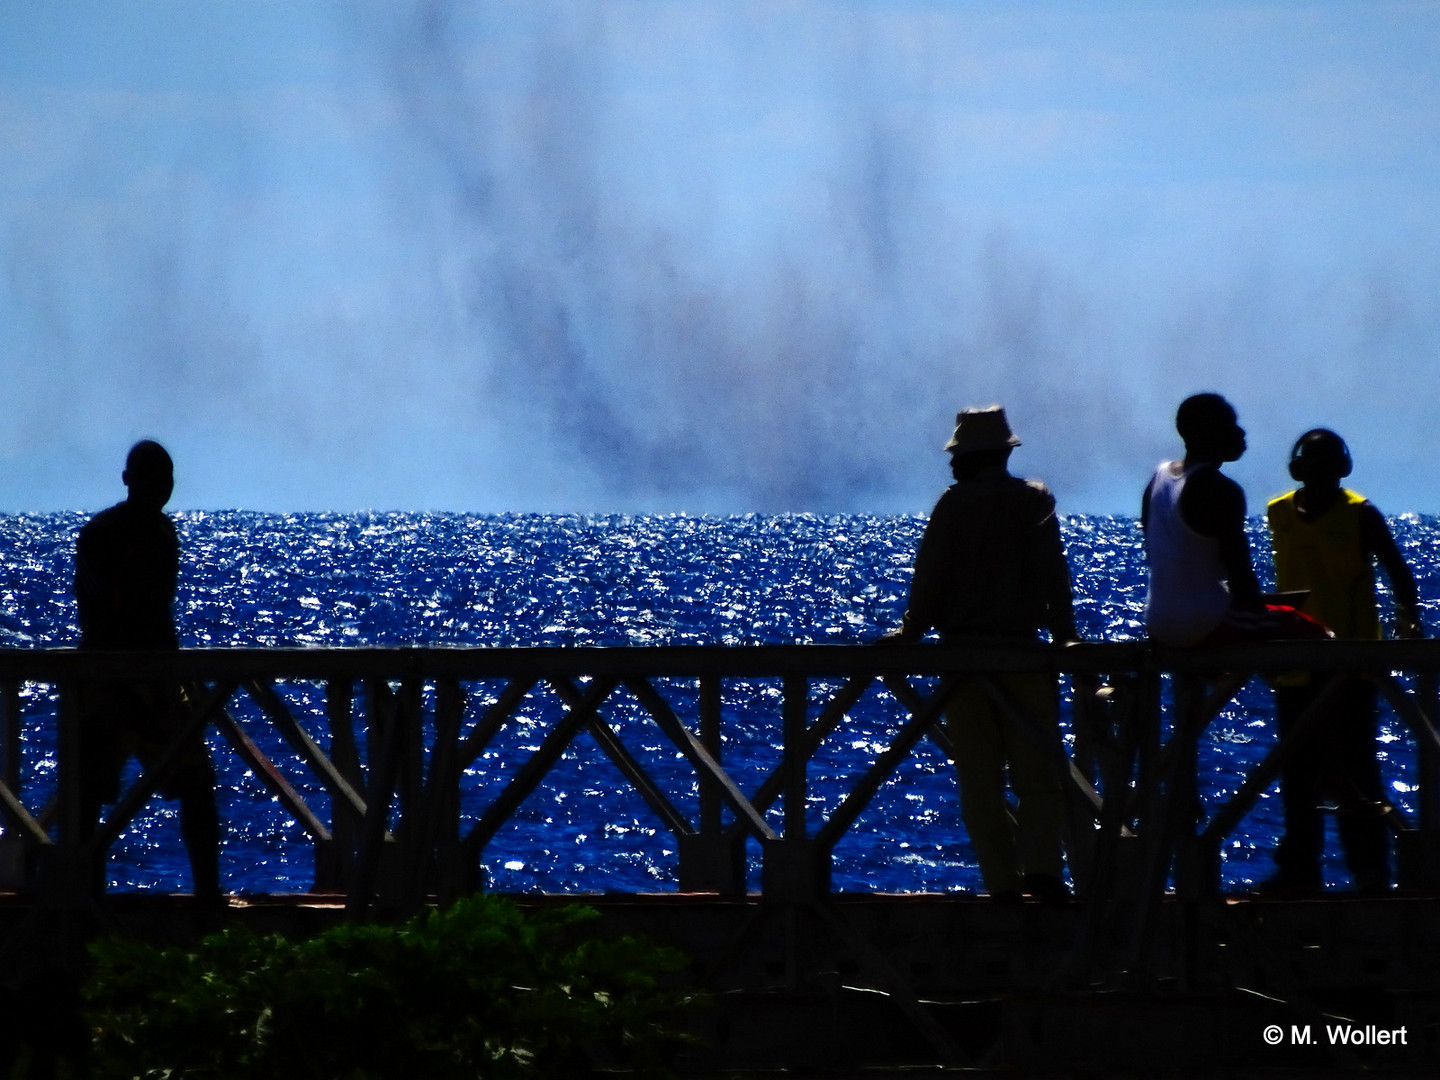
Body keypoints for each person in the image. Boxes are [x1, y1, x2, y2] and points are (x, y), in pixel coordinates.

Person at [888, 406, 1077, 903]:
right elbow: (1053, 577)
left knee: (979, 784)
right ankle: (1042, 873)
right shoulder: (1035, 500)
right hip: (1024, 658)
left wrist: (908, 633)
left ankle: (1001, 883)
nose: (950, 466)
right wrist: (1066, 638)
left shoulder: (953, 505)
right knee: (1039, 777)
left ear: (972, 457)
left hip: (964, 662)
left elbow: (928, 582)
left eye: (957, 456)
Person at [1263, 429, 1423, 895]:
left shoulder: (1360, 513)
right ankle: (1300, 869)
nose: (1318, 474)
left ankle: (1370, 871)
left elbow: (1399, 575)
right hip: (1297, 662)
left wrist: (1403, 633)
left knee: (1357, 770)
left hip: (1349, 666)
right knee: (1298, 772)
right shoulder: (1280, 514)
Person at [73, 440, 222, 902]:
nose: (163, 488)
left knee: (196, 783)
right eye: (154, 478)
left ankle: (206, 892)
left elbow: (159, 614)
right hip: (112, 684)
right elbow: (99, 612)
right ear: (129, 481)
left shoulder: (161, 535)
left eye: (167, 479)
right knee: (89, 797)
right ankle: (84, 898)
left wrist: (178, 678)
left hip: (154, 683)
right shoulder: (105, 535)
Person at [1141, 393, 1326, 647]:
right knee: (1312, 632)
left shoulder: (1157, 479)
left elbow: (1161, 556)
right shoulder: (1220, 490)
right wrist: (1262, 606)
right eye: (1229, 425)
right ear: (1208, 432)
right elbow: (1241, 580)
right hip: (1203, 624)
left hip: (1157, 623)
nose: (1240, 432)